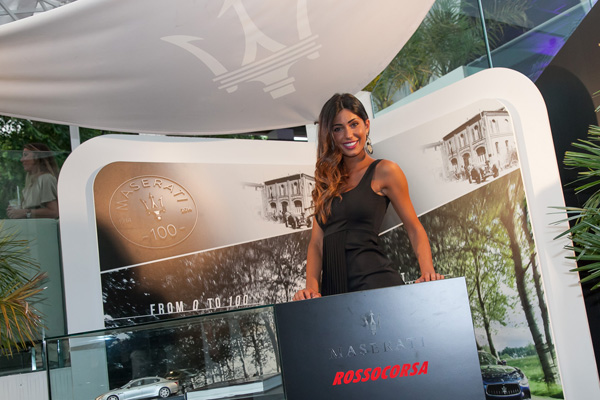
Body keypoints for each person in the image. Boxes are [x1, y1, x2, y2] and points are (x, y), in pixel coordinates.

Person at [293, 93, 442, 300]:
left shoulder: (385, 171)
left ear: (367, 125)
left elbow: (414, 228)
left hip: (376, 286)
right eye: (338, 129)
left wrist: (428, 273)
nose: (348, 134)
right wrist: (311, 290)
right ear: (330, 135)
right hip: (334, 292)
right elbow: (316, 244)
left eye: (354, 124)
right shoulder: (325, 181)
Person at [6, 143, 59, 219]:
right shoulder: (31, 182)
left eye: (25, 155)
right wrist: (17, 211)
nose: (21, 160)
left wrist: (25, 212)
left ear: (37, 157)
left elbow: (54, 211)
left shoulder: (46, 178)